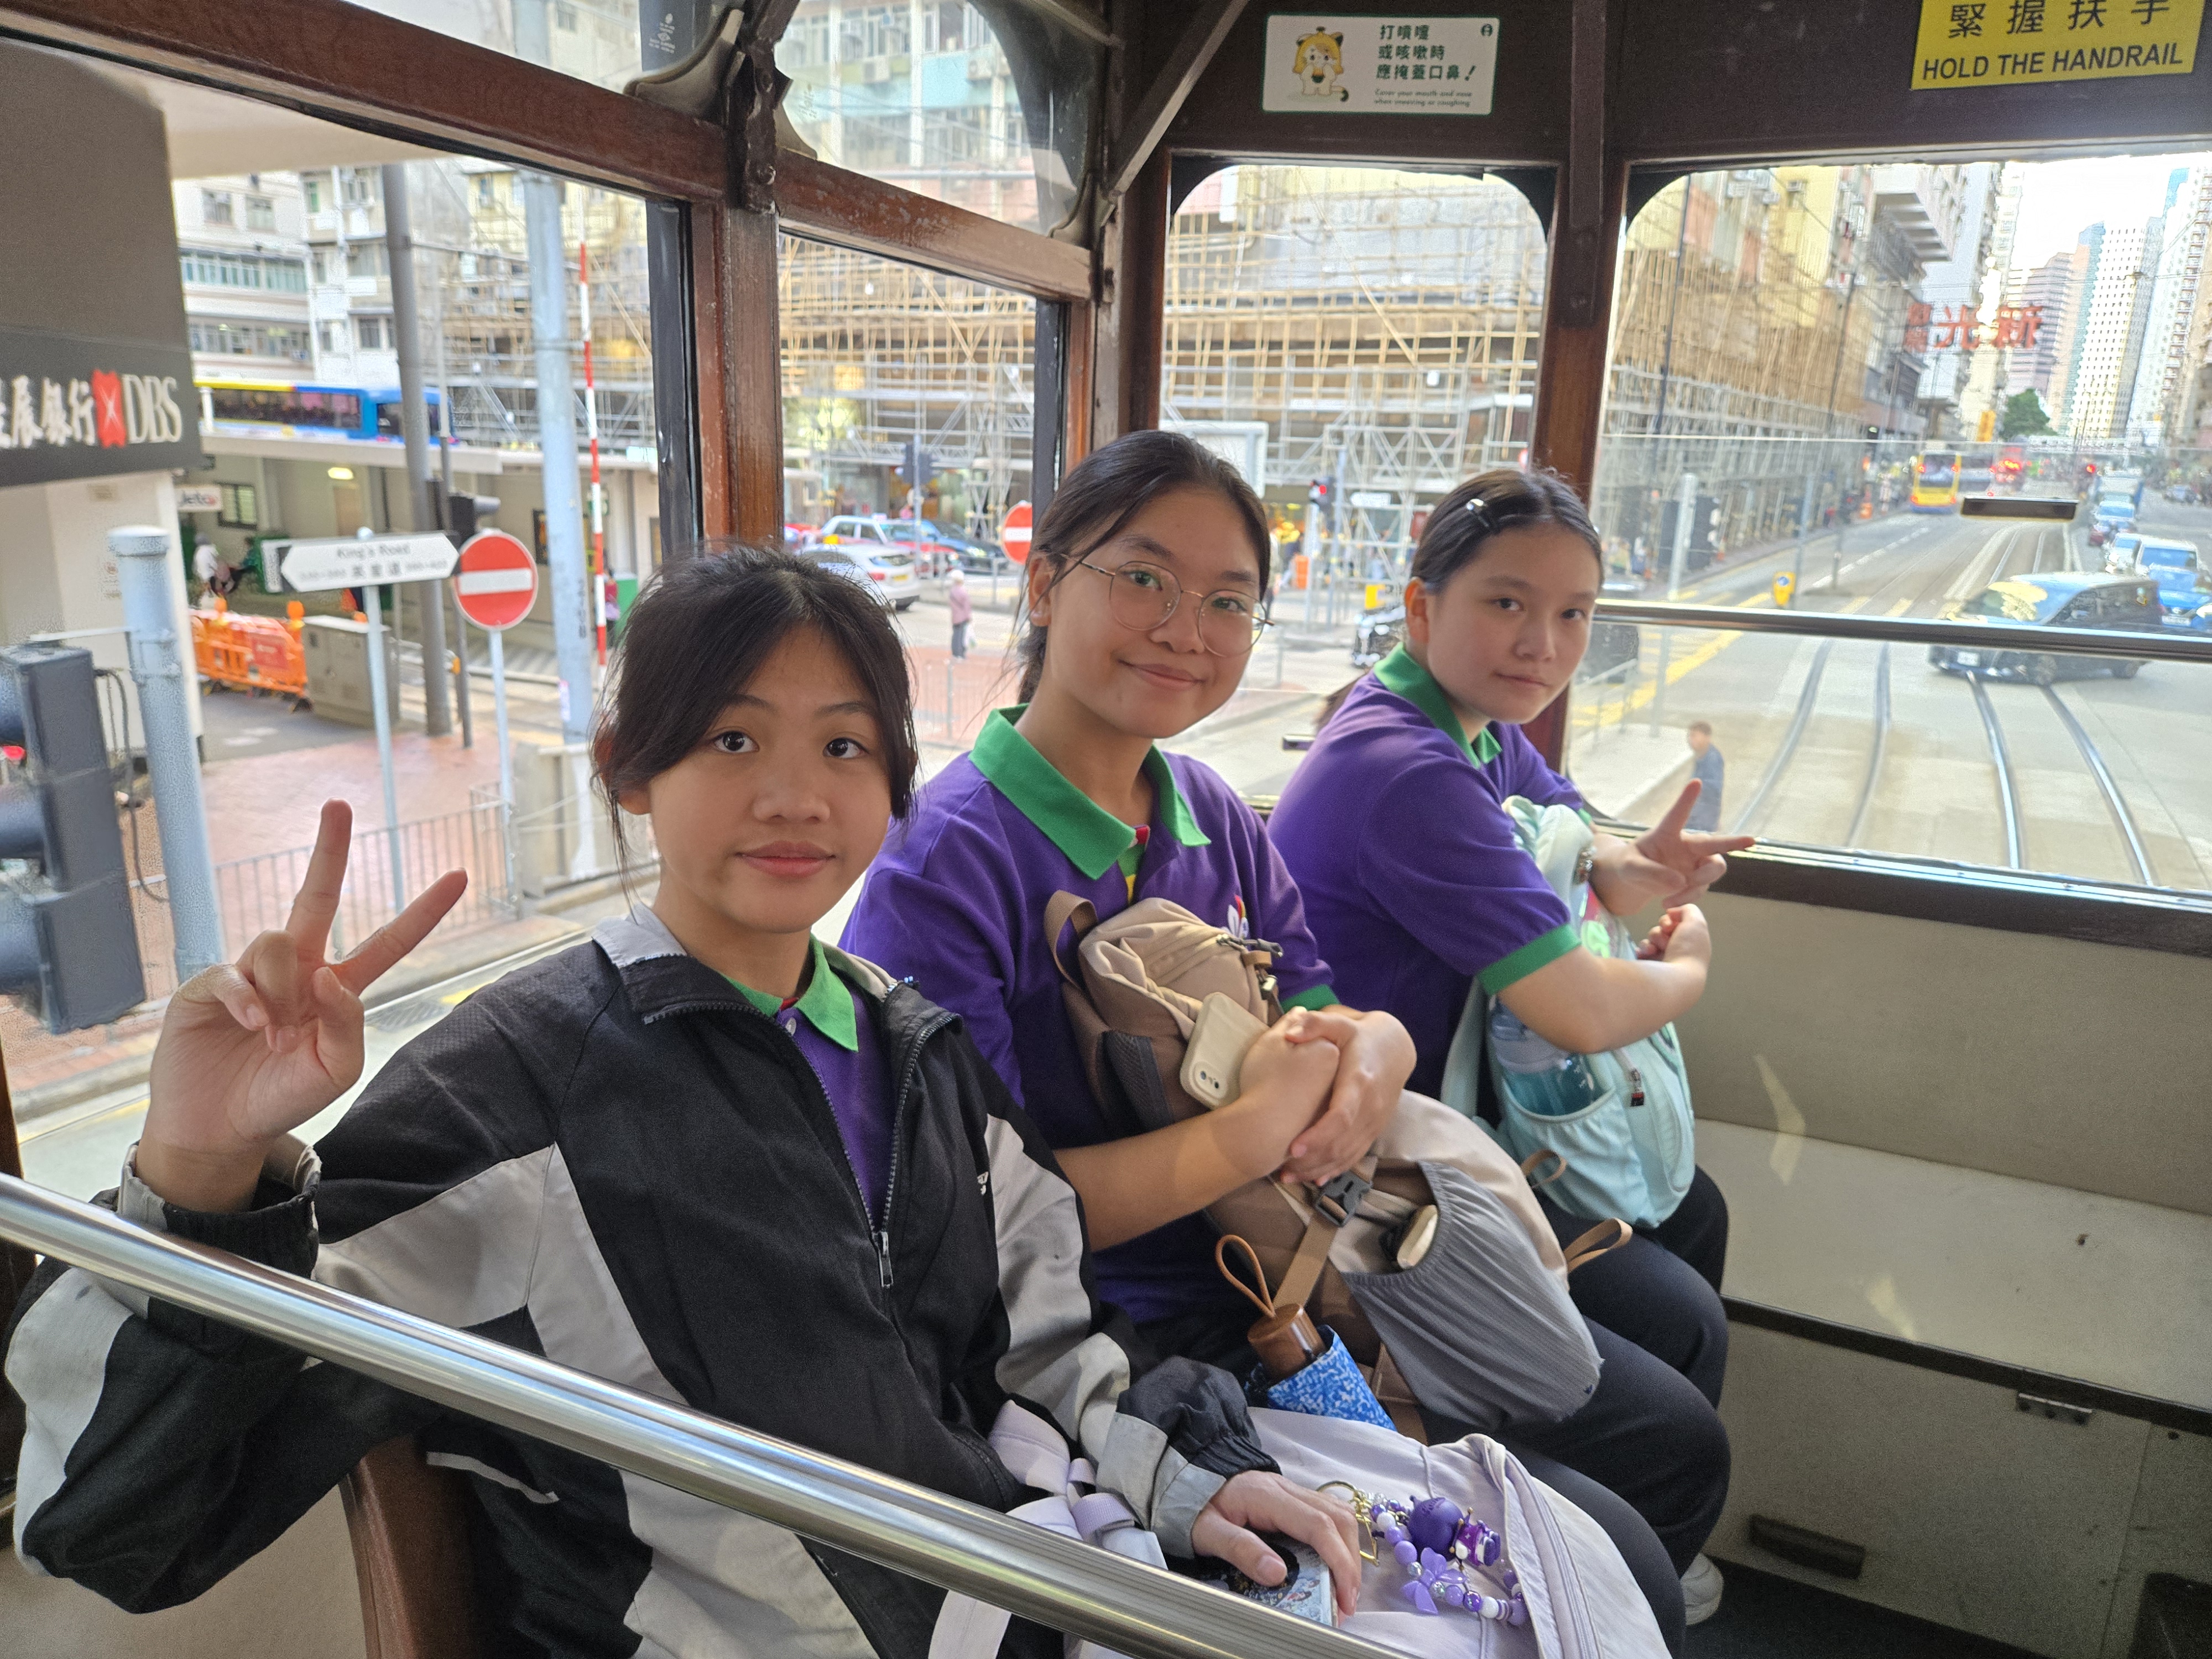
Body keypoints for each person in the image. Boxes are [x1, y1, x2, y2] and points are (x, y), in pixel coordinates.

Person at [6, 546, 1364, 1656]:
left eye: (845, 744)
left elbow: (1040, 1336)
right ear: (630, 768)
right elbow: (113, 1520)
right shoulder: (513, 1098)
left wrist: (1183, 1480)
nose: (795, 795)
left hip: (1012, 1600)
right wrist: (199, 1163)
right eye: (730, 736)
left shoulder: (916, 1053)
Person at [844, 431, 1696, 1652]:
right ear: (1042, 584)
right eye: (1143, 578)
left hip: (1312, 1259)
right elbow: (970, 1227)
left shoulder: (1209, 816)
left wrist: (1379, 1051)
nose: (1183, 628)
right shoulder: (946, 867)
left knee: (1662, 1435)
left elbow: (1324, 1014)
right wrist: (1246, 1135)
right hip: (1129, 1338)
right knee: (1624, 1539)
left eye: (1228, 600)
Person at [1267, 468, 1752, 1627]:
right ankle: (1608, 1572)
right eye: (1505, 603)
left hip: (1461, 1124)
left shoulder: (1476, 734)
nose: (1543, 644)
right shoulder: (1403, 772)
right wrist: (1687, 966)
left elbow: (1570, 843)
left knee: (1694, 1216)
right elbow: (1579, 1009)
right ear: (1421, 607)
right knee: (1683, 1415)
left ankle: (1604, 1530)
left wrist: (1637, 868)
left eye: (1573, 612)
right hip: (1377, 1181)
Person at [1684, 722, 1724, 832]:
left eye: (1694, 736)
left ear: (1707, 738)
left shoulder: (1712, 759)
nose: (1691, 740)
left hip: (1701, 822)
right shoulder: (1702, 757)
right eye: (1690, 736)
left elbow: (1713, 790)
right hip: (1697, 819)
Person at [948, 565, 973, 659]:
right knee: (962, 637)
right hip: (963, 617)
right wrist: (968, 617)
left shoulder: (952, 591)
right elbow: (967, 607)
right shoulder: (963, 592)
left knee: (955, 635)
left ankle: (955, 653)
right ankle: (960, 654)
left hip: (955, 617)